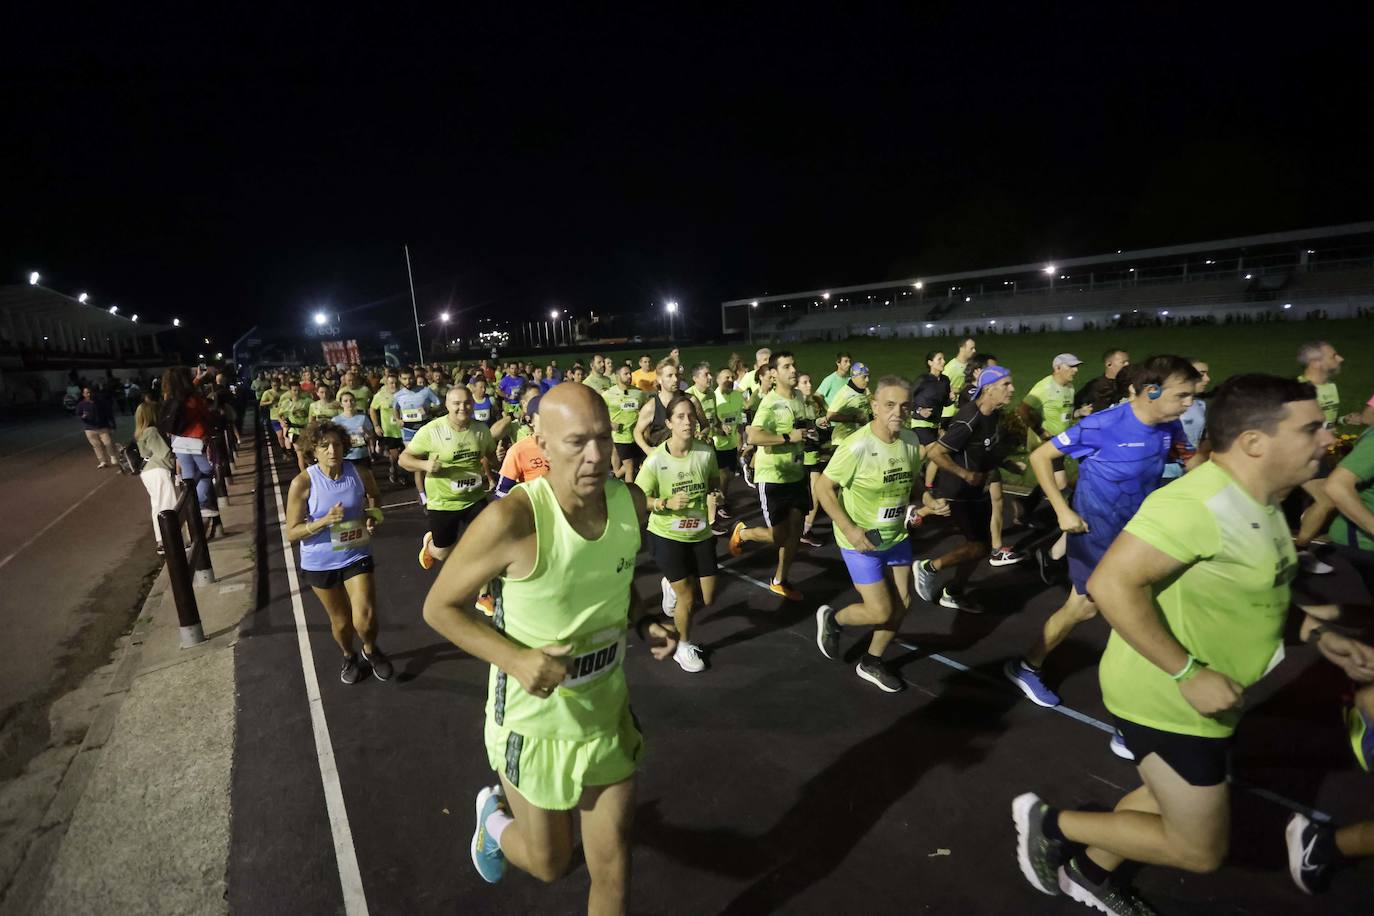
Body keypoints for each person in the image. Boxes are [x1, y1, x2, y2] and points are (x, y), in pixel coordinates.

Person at [1011, 374, 1374, 914]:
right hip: (1168, 698)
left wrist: (1317, 633)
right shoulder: (1198, 504)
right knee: (1199, 850)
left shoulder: (1263, 500)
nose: (1328, 439)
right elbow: (1111, 585)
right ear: (1255, 442)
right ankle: (1050, 826)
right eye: (1311, 428)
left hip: (1212, 695)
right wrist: (1188, 674)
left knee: (1164, 796)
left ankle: (1089, 872)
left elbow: (1259, 596)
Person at [419, 382, 677, 911]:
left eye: (604, 440)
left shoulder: (629, 502)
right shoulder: (514, 520)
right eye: (577, 442)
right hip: (533, 725)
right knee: (550, 864)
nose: (596, 456)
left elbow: (615, 576)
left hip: (604, 715)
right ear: (539, 442)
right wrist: (516, 659)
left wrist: (645, 619)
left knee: (613, 867)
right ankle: (492, 820)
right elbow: (439, 607)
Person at [1005, 356, 1200, 715]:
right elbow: (1041, 457)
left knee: (1144, 607)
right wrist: (1063, 512)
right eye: (1183, 395)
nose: (1190, 403)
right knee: (1091, 607)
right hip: (1096, 534)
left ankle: (1140, 702)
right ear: (1151, 391)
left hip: (1139, 533)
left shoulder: (1169, 426)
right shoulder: (1102, 425)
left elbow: (1193, 463)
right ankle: (1033, 669)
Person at [815, 376, 947, 691]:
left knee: (902, 604)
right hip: (860, 541)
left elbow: (913, 483)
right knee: (880, 610)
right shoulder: (857, 445)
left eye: (904, 406)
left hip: (896, 536)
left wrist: (927, 500)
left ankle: (872, 660)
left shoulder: (911, 441)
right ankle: (834, 620)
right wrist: (850, 528)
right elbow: (823, 487)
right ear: (874, 407)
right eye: (889, 405)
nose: (897, 412)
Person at [285, 421, 392, 685]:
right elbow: (292, 532)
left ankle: (370, 648)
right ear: (314, 451)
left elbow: (375, 498)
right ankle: (348, 654)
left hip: (356, 553)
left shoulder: (359, 472)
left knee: (365, 618)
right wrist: (324, 521)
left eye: (337, 444)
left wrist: (373, 516)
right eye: (325, 446)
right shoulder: (303, 483)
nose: (333, 450)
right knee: (342, 623)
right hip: (320, 562)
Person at [915, 365, 1016, 612]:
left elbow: (985, 448)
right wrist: (965, 474)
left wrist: (1008, 463)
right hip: (958, 492)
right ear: (989, 389)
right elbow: (936, 452)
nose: (1012, 389)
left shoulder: (994, 414)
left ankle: (953, 592)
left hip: (976, 490)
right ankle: (929, 567)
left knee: (979, 548)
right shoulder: (969, 418)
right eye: (1006, 385)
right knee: (977, 546)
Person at [637, 394, 720, 673]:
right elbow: (638, 498)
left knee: (707, 598)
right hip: (666, 536)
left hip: (699, 532)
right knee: (686, 598)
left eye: (691, 416)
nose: (688, 421)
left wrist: (716, 492)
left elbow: (713, 479)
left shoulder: (705, 452)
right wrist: (664, 503)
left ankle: (669, 585)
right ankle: (683, 647)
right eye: (681, 417)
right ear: (670, 423)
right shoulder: (656, 460)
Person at [730, 351, 809, 601]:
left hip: (796, 474)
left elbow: (800, 428)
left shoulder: (798, 396)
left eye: (793, 365)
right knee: (779, 536)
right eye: (786, 367)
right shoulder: (770, 402)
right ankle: (743, 534)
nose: (793, 370)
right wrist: (788, 438)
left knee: (796, 531)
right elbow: (753, 436)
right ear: (773, 374)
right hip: (773, 477)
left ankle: (779, 580)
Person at [401, 386, 508, 569]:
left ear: (472, 404)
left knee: (488, 544)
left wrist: (498, 458)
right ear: (447, 404)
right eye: (456, 403)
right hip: (443, 501)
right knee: (442, 553)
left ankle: (485, 594)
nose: (462, 408)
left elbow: (490, 458)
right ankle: (430, 546)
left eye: (467, 403)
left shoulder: (481, 430)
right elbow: (404, 459)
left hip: (474, 498)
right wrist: (425, 465)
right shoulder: (432, 430)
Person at [1294, 340, 1358, 572]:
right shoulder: (1298, 390)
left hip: (1319, 453)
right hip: (1300, 455)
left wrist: (1343, 421)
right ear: (1316, 362)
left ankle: (1299, 547)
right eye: (1334, 355)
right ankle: (1300, 553)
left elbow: (1327, 421)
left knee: (1324, 499)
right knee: (1328, 498)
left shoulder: (1330, 387)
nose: (1340, 359)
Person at [161, 366, 223, 536]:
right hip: (196, 438)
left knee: (188, 477)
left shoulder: (170, 396)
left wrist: (198, 379)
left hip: (178, 440)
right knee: (207, 471)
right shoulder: (192, 397)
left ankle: (192, 516)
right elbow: (204, 413)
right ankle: (200, 503)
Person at [134, 399, 177, 555]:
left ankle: (162, 541)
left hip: (146, 471)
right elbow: (164, 453)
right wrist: (174, 462)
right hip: (158, 470)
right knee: (168, 504)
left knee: (157, 506)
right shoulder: (151, 431)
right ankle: (172, 541)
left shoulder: (139, 432)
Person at [394, 368, 443, 504]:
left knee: (433, 460)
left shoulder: (425, 391)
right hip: (409, 432)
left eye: (410, 378)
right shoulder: (398, 395)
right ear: (400, 379)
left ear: (414, 378)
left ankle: (436, 489)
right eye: (404, 379)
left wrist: (429, 410)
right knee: (418, 463)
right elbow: (395, 409)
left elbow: (440, 404)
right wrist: (398, 419)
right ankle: (423, 496)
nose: (408, 381)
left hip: (425, 430)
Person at [1161, 358, 1211, 481]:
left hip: (1193, 467)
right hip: (1166, 473)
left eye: (1207, 374)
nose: (1207, 379)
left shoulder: (1200, 405)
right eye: (1201, 374)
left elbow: (1202, 438)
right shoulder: (1165, 407)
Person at [797, 372, 832, 547]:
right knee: (801, 494)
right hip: (799, 456)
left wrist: (823, 425)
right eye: (804, 382)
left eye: (810, 381)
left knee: (817, 492)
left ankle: (805, 529)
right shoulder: (794, 405)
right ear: (796, 386)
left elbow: (824, 421)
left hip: (815, 454)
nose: (809, 385)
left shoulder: (815, 402)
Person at [604, 364, 648, 484]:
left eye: (630, 374)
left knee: (634, 464)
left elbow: (647, 410)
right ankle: (631, 495)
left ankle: (613, 477)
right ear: (618, 376)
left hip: (636, 436)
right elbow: (596, 411)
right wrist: (609, 423)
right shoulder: (608, 394)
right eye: (626, 374)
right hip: (620, 437)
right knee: (629, 467)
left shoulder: (639, 393)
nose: (629, 376)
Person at [369, 374, 405, 484]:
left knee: (406, 455)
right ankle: (394, 471)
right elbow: (372, 409)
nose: (394, 385)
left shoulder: (404, 393)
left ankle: (403, 473)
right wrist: (376, 426)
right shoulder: (380, 395)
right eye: (391, 383)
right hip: (390, 431)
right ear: (386, 384)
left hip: (405, 429)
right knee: (394, 456)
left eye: (396, 383)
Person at [826, 361, 871, 447]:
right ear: (854, 377)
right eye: (864, 377)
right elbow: (830, 415)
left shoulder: (864, 390)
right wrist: (854, 418)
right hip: (842, 441)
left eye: (868, 376)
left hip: (858, 440)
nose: (867, 380)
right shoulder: (845, 393)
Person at [1074, 348, 1131, 416]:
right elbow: (1076, 404)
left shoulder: (1130, 384)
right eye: (1123, 362)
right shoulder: (1095, 386)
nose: (1127, 364)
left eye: (1127, 361)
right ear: (1109, 364)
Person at [910, 351, 949, 446]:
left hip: (935, 425)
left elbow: (945, 403)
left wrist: (954, 398)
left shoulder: (945, 380)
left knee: (924, 455)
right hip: (920, 423)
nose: (943, 361)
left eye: (943, 359)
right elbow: (908, 398)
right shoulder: (923, 380)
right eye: (939, 359)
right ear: (930, 363)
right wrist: (920, 410)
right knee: (936, 453)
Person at [76, 385, 120, 468]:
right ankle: (102, 461)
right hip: (89, 429)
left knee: (108, 443)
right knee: (96, 446)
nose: (88, 394)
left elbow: (109, 414)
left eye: (90, 392)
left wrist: (113, 426)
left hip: (102, 427)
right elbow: (78, 414)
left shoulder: (101, 402)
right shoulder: (81, 404)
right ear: (83, 394)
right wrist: (82, 417)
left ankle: (112, 457)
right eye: (86, 393)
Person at [333, 391, 375, 465]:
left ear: (355, 402)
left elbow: (371, 436)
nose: (349, 403)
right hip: (345, 456)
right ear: (341, 404)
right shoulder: (336, 420)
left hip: (361, 454)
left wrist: (365, 432)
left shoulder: (363, 418)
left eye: (351, 400)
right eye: (345, 401)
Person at [941, 338, 976, 422]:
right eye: (971, 348)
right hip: (948, 414)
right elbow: (939, 386)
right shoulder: (951, 367)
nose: (974, 350)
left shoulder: (970, 366)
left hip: (961, 411)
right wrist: (957, 390)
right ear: (962, 348)